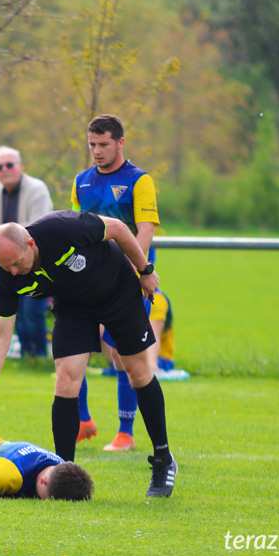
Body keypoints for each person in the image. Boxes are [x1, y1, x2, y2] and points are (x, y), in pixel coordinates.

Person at [0, 210, 177, 498]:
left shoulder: (62, 228)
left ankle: (163, 459)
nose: (13, 272)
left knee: (137, 372)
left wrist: (145, 270)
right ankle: (63, 473)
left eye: (16, 263)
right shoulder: (7, 277)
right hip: (73, 307)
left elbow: (117, 228)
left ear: (30, 243)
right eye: (5, 266)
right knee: (65, 380)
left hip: (116, 291)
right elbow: (1, 335)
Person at [70, 114, 159, 451]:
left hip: (125, 280)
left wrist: (138, 271)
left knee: (122, 356)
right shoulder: (81, 181)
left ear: (120, 142)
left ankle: (126, 432)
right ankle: (82, 420)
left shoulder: (140, 180)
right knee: (72, 349)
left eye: (103, 144)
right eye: (92, 144)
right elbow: (75, 228)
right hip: (86, 280)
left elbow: (145, 231)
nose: (96, 151)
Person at [0, 146, 53, 357]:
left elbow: (39, 224)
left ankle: (39, 356)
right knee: (17, 315)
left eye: (9, 164)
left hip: (34, 263)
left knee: (31, 312)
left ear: (20, 166)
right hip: (8, 267)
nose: (4, 169)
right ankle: (28, 356)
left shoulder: (37, 188)